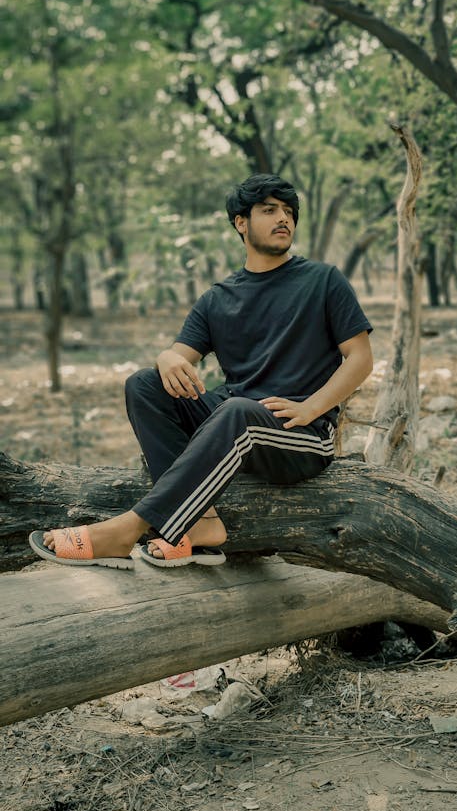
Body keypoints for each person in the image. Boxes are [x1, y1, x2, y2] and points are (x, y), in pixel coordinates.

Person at [29, 174, 373, 569]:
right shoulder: (217, 298)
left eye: (289, 212)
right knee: (144, 384)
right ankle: (201, 522)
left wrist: (312, 408)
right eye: (269, 210)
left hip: (298, 435)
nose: (284, 219)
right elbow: (178, 356)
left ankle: (126, 530)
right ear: (240, 222)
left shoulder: (323, 280)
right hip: (236, 420)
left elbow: (360, 358)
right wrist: (168, 357)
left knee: (238, 410)